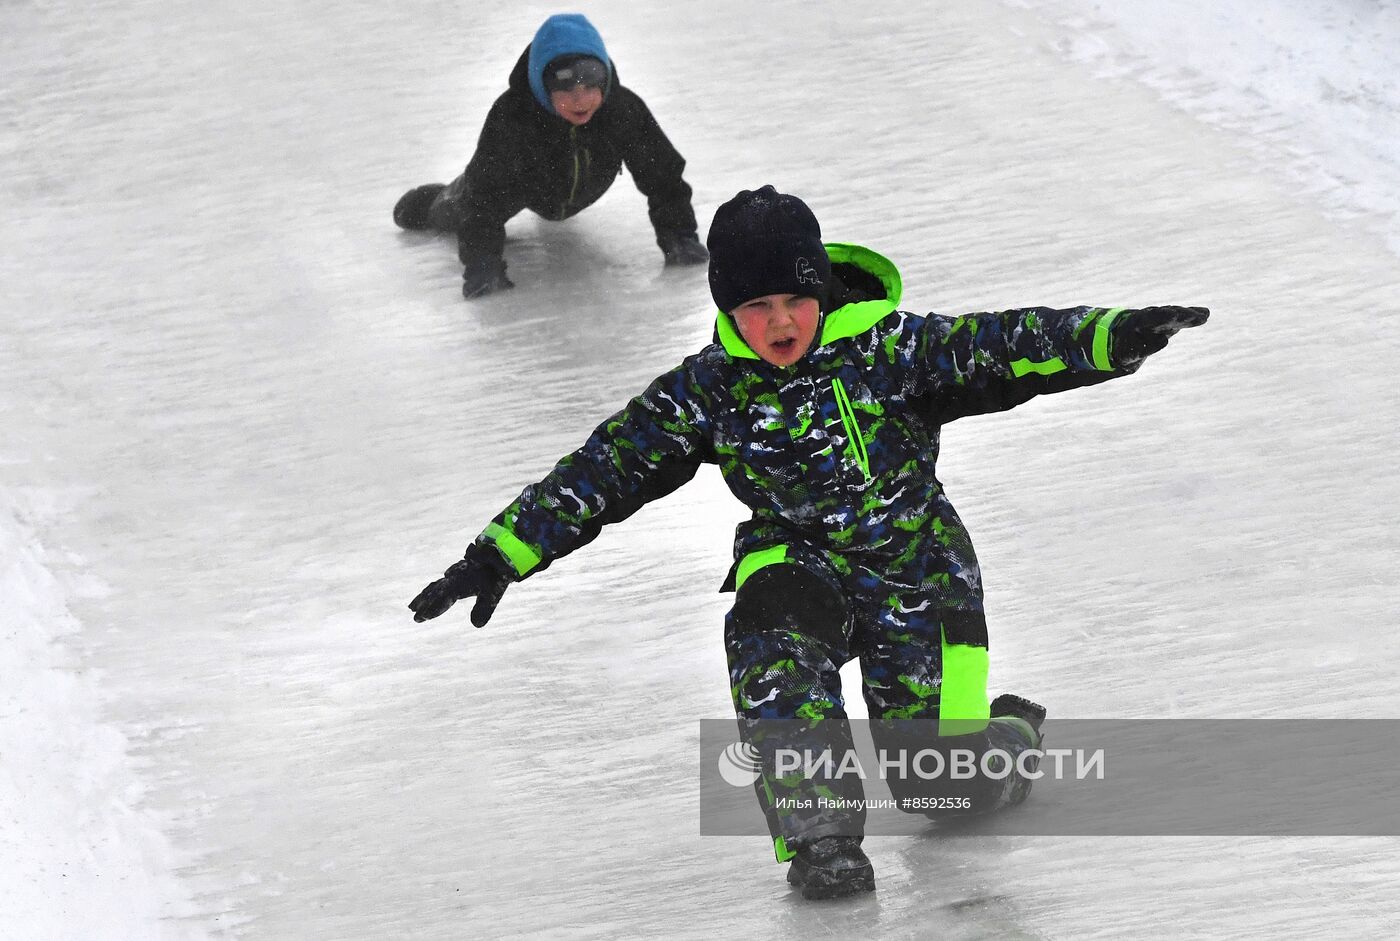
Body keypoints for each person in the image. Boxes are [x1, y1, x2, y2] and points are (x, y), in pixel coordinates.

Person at [408, 185, 1209, 898]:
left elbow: (1004, 344)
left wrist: (1114, 336)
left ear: (821, 291)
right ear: (727, 310)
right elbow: (608, 465)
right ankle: (821, 838)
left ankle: (1007, 737)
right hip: (799, 562)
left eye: (793, 299)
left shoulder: (890, 353)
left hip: (918, 575)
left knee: (940, 790)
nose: (778, 322)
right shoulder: (710, 389)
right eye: (754, 307)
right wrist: (499, 552)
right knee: (768, 637)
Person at [392, 13, 708, 298]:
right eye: (567, 89)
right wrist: (484, 268)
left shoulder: (621, 109)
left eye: (590, 86)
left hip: (589, 178)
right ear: (544, 86)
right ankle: (433, 200)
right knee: (460, 204)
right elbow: (482, 198)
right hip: (522, 185)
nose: (580, 100)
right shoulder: (512, 116)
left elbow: (663, 177)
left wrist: (680, 238)